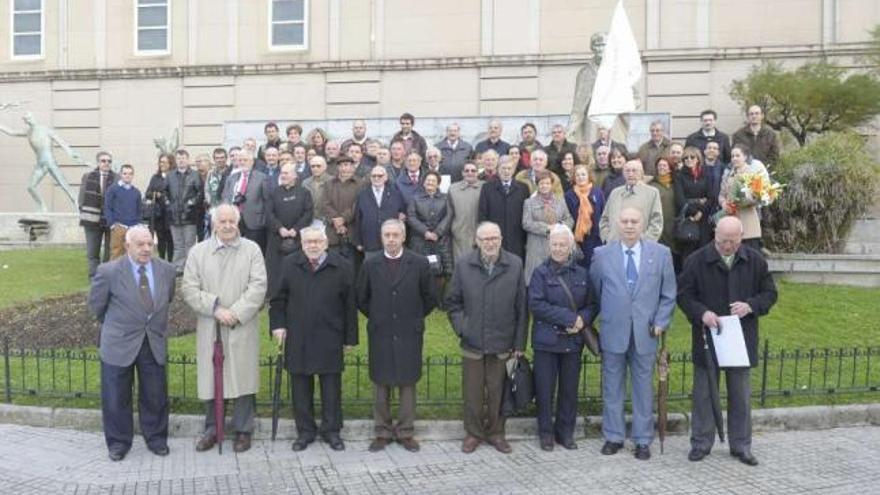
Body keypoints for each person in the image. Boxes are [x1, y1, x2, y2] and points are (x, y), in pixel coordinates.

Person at [677, 216, 778, 466]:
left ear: (741, 238)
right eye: (722, 241)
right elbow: (684, 295)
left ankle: (741, 446)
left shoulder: (755, 260)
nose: (727, 246)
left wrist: (751, 306)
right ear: (715, 235)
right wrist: (702, 313)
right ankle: (701, 443)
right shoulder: (696, 260)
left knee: (740, 395)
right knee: (703, 394)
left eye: (732, 242)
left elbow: (770, 293)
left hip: (741, 339)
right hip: (707, 337)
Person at [590, 207, 676, 460]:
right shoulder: (601, 255)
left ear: (643, 224)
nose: (629, 225)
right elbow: (595, 291)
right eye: (625, 221)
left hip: (646, 333)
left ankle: (642, 440)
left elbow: (669, 294)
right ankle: (614, 436)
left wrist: (661, 320)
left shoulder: (661, 254)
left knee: (642, 389)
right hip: (612, 331)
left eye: (634, 221)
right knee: (612, 387)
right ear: (617, 223)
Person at [181, 204, 267, 454]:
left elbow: (258, 286)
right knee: (211, 375)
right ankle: (212, 427)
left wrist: (237, 313)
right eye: (222, 221)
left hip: (242, 324)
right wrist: (215, 308)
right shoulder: (198, 252)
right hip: (211, 323)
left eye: (232, 221)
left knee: (242, 375)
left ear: (237, 223)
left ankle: (243, 429)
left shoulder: (251, 250)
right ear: (214, 224)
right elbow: (189, 287)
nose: (228, 226)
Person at [88, 225, 177, 462]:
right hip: (118, 342)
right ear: (128, 246)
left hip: (153, 340)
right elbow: (97, 307)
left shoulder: (167, 270)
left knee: (155, 394)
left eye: (150, 243)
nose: (146, 249)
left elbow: (167, 298)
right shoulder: (108, 272)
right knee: (116, 396)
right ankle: (118, 443)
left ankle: (156, 439)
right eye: (140, 244)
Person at [269, 225, 358, 452]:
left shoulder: (342, 266)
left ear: (326, 243)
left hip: (330, 335)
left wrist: (350, 338)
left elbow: (350, 306)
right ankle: (305, 431)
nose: (313, 246)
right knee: (300, 387)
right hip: (299, 336)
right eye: (308, 242)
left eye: (317, 241)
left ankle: (332, 431)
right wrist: (278, 326)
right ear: (301, 243)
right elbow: (278, 300)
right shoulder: (289, 265)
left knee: (331, 388)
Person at [445, 222, 527, 454]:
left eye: (494, 238)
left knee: (498, 391)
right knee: (472, 392)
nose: (490, 243)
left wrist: (519, 343)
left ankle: (496, 433)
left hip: (503, 340)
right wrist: (464, 327)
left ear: (501, 239)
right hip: (473, 341)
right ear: (477, 242)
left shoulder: (514, 264)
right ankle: (473, 433)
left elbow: (522, 307)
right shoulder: (464, 265)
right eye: (485, 239)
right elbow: (452, 302)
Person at [357, 219, 437, 453]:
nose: (391, 239)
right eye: (386, 235)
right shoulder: (370, 264)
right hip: (380, 330)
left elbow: (430, 297)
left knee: (407, 381)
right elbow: (361, 297)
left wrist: (412, 316)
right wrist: (379, 315)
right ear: (381, 238)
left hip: (409, 330)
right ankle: (382, 431)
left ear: (403, 237)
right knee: (380, 381)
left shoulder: (419, 263)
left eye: (395, 235)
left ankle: (405, 431)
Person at [528, 224, 590, 451]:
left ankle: (566, 433)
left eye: (563, 244)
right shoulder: (540, 273)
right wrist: (569, 318)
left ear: (571, 246)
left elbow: (592, 304)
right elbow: (536, 305)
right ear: (549, 246)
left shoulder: (583, 273)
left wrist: (583, 319)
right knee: (544, 392)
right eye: (554, 244)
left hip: (572, 343)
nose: (558, 248)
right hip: (546, 342)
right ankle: (545, 434)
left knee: (569, 391)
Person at [266, 163, 314, 295]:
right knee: (275, 268)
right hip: (277, 237)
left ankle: (296, 292)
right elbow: (269, 214)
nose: (283, 175)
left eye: (287, 173)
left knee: (296, 267)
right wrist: (280, 228)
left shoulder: (304, 192)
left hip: (297, 238)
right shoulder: (274, 192)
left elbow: (308, 213)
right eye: (282, 173)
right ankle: (275, 294)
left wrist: (296, 229)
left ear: (295, 176)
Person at [522, 170, 574, 285]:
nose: (544, 186)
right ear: (537, 185)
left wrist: (559, 227)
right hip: (537, 248)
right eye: (541, 183)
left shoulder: (560, 202)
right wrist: (546, 228)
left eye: (547, 183)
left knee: (556, 282)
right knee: (536, 282)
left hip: (557, 247)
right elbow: (526, 223)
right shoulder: (529, 203)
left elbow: (569, 219)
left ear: (551, 185)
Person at [407, 171, 453, 294]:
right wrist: (425, 232)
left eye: (433, 180)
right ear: (424, 182)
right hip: (420, 240)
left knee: (442, 269)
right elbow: (411, 216)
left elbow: (449, 215)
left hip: (441, 240)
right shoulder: (415, 198)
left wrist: (437, 233)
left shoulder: (445, 197)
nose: (430, 182)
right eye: (428, 180)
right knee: (420, 268)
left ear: (438, 183)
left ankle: (439, 298)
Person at [718, 144, 770, 250]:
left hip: (748, 220)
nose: (734, 159)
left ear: (745, 157)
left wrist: (742, 201)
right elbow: (722, 194)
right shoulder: (728, 174)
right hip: (731, 219)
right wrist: (724, 204)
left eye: (737, 156)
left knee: (750, 254)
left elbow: (757, 196)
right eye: (732, 156)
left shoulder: (752, 174)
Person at [599, 160, 664, 243]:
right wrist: (607, 238)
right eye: (627, 171)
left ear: (641, 173)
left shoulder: (652, 193)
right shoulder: (615, 193)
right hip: (615, 246)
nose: (630, 174)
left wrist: (645, 242)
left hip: (641, 247)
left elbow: (657, 222)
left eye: (634, 171)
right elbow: (604, 219)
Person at [478, 157, 529, 260]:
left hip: (517, 239)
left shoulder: (523, 188)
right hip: (494, 239)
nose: (506, 171)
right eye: (503, 168)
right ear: (497, 170)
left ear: (514, 170)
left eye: (509, 168)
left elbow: (527, 214)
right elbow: (483, 214)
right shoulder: (487, 188)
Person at [354, 165, 407, 259]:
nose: (376, 178)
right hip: (370, 241)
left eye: (380, 176)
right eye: (373, 176)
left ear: (386, 177)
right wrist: (358, 241)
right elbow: (358, 219)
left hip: (391, 242)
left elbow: (403, 215)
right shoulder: (362, 195)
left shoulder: (396, 194)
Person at [223, 150, 270, 255]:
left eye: (245, 160)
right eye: (240, 160)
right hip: (234, 221)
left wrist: (264, 220)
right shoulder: (231, 178)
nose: (242, 162)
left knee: (255, 251)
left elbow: (267, 200)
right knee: (233, 250)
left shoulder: (261, 177)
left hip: (255, 221)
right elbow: (225, 197)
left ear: (252, 161)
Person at [79, 151, 117, 279]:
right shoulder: (87, 176)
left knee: (109, 250)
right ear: (98, 162)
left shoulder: (117, 178)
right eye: (103, 160)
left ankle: (105, 276)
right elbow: (81, 198)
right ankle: (93, 276)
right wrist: (85, 212)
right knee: (92, 251)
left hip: (110, 220)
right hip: (91, 219)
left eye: (109, 161)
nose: (106, 163)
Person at [165, 149, 202, 275]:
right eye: (178, 158)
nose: (181, 160)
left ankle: (190, 268)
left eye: (183, 158)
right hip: (174, 216)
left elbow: (200, 193)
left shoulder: (194, 175)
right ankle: (178, 268)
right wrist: (168, 204)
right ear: (176, 160)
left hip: (189, 216)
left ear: (188, 160)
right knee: (178, 244)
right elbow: (164, 192)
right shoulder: (170, 175)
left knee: (190, 244)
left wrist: (191, 203)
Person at [675, 147, 714, 262]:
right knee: (688, 252)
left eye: (692, 157)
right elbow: (680, 199)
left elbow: (711, 197)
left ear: (698, 159)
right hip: (689, 217)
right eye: (685, 158)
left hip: (704, 218)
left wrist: (701, 211)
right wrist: (694, 212)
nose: (689, 160)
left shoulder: (705, 174)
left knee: (703, 250)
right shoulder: (679, 176)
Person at [564, 164, 605, 269]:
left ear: (588, 176)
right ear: (574, 178)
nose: (580, 177)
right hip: (578, 240)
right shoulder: (569, 195)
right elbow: (567, 216)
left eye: (583, 174)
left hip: (596, 238)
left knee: (596, 268)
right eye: (577, 175)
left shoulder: (598, 192)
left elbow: (604, 213)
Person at [322, 156, 361, 261]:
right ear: (337, 167)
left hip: (351, 231)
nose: (345, 168)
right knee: (333, 265)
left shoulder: (359, 184)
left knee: (351, 266)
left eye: (347, 165)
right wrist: (336, 221)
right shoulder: (329, 184)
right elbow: (325, 204)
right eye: (342, 165)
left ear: (353, 167)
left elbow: (357, 205)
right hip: (332, 231)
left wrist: (343, 219)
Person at [103, 164, 143, 260]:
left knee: (132, 254)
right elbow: (107, 207)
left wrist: (137, 224)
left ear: (133, 175)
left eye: (130, 174)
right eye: (125, 173)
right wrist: (112, 224)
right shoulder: (113, 189)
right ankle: (114, 274)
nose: (127, 176)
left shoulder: (136, 192)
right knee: (116, 253)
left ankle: (129, 274)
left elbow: (139, 210)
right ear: (121, 174)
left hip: (132, 228)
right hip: (119, 227)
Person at [447, 162, 484, 263]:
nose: (470, 173)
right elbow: (449, 213)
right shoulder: (453, 189)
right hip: (459, 234)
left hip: (479, 234)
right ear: (462, 173)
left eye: (473, 171)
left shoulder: (485, 187)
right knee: (461, 265)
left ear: (478, 173)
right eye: (467, 171)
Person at [648, 157, 677, 255]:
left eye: (664, 165)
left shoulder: (676, 184)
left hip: (674, 224)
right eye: (659, 165)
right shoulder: (651, 185)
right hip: (659, 225)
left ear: (669, 168)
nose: (661, 167)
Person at [302, 155, 330, 222]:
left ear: (325, 167)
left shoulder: (333, 181)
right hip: (309, 220)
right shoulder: (305, 183)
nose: (315, 168)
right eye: (313, 166)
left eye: (318, 166)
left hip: (326, 221)